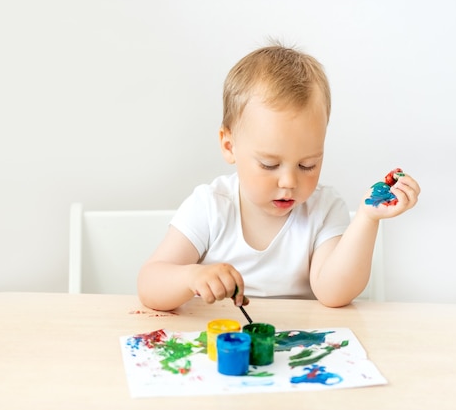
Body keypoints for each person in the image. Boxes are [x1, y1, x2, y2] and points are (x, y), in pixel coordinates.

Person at [137, 43, 420, 311]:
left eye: (307, 165)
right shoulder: (210, 206)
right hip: (222, 348)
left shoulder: (323, 209)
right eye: (270, 164)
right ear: (229, 146)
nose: (289, 182)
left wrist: (366, 219)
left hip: (297, 349)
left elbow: (334, 293)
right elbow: (149, 284)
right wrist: (190, 277)